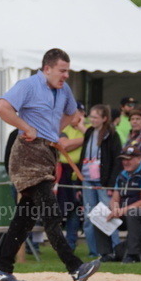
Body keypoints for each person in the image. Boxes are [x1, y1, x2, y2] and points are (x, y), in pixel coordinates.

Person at [0, 48, 100, 281]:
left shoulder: (64, 90)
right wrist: (26, 126)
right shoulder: (28, 85)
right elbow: (1, 107)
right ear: (47, 68)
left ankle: (2, 269)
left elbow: (73, 115)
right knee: (51, 212)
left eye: (68, 71)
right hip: (27, 154)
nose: (66, 76)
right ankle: (75, 267)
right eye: (62, 70)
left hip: (48, 152)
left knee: (25, 217)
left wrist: (53, 133)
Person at [95, 147, 141, 263]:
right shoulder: (122, 175)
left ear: (139, 159)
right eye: (123, 159)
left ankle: (133, 255)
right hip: (128, 214)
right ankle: (107, 254)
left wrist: (122, 211)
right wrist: (115, 208)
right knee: (99, 213)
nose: (125, 162)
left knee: (133, 213)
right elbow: (115, 198)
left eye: (129, 159)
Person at [79, 104, 122, 257]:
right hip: (87, 180)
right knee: (89, 217)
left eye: (96, 117)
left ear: (104, 118)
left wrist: (111, 185)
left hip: (103, 183)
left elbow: (117, 162)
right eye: (91, 116)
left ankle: (115, 249)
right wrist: (80, 182)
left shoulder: (111, 135)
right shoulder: (89, 132)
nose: (92, 119)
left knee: (107, 215)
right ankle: (94, 251)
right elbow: (83, 154)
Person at [55, 101, 86, 249]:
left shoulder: (88, 129)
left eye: (78, 113)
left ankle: (71, 243)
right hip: (66, 173)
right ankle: (63, 243)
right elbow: (64, 145)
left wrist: (83, 131)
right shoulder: (65, 128)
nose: (75, 116)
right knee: (65, 208)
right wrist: (86, 139)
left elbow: (97, 139)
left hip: (84, 171)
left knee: (77, 209)